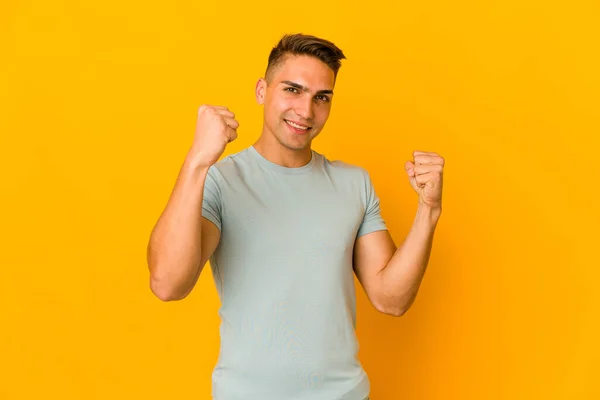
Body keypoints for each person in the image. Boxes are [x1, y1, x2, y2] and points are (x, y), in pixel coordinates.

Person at [147, 33, 445, 400]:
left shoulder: (353, 184)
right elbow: (167, 284)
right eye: (292, 90)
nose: (306, 111)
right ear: (262, 90)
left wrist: (428, 211)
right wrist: (197, 160)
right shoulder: (220, 181)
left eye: (321, 97)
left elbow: (391, 299)